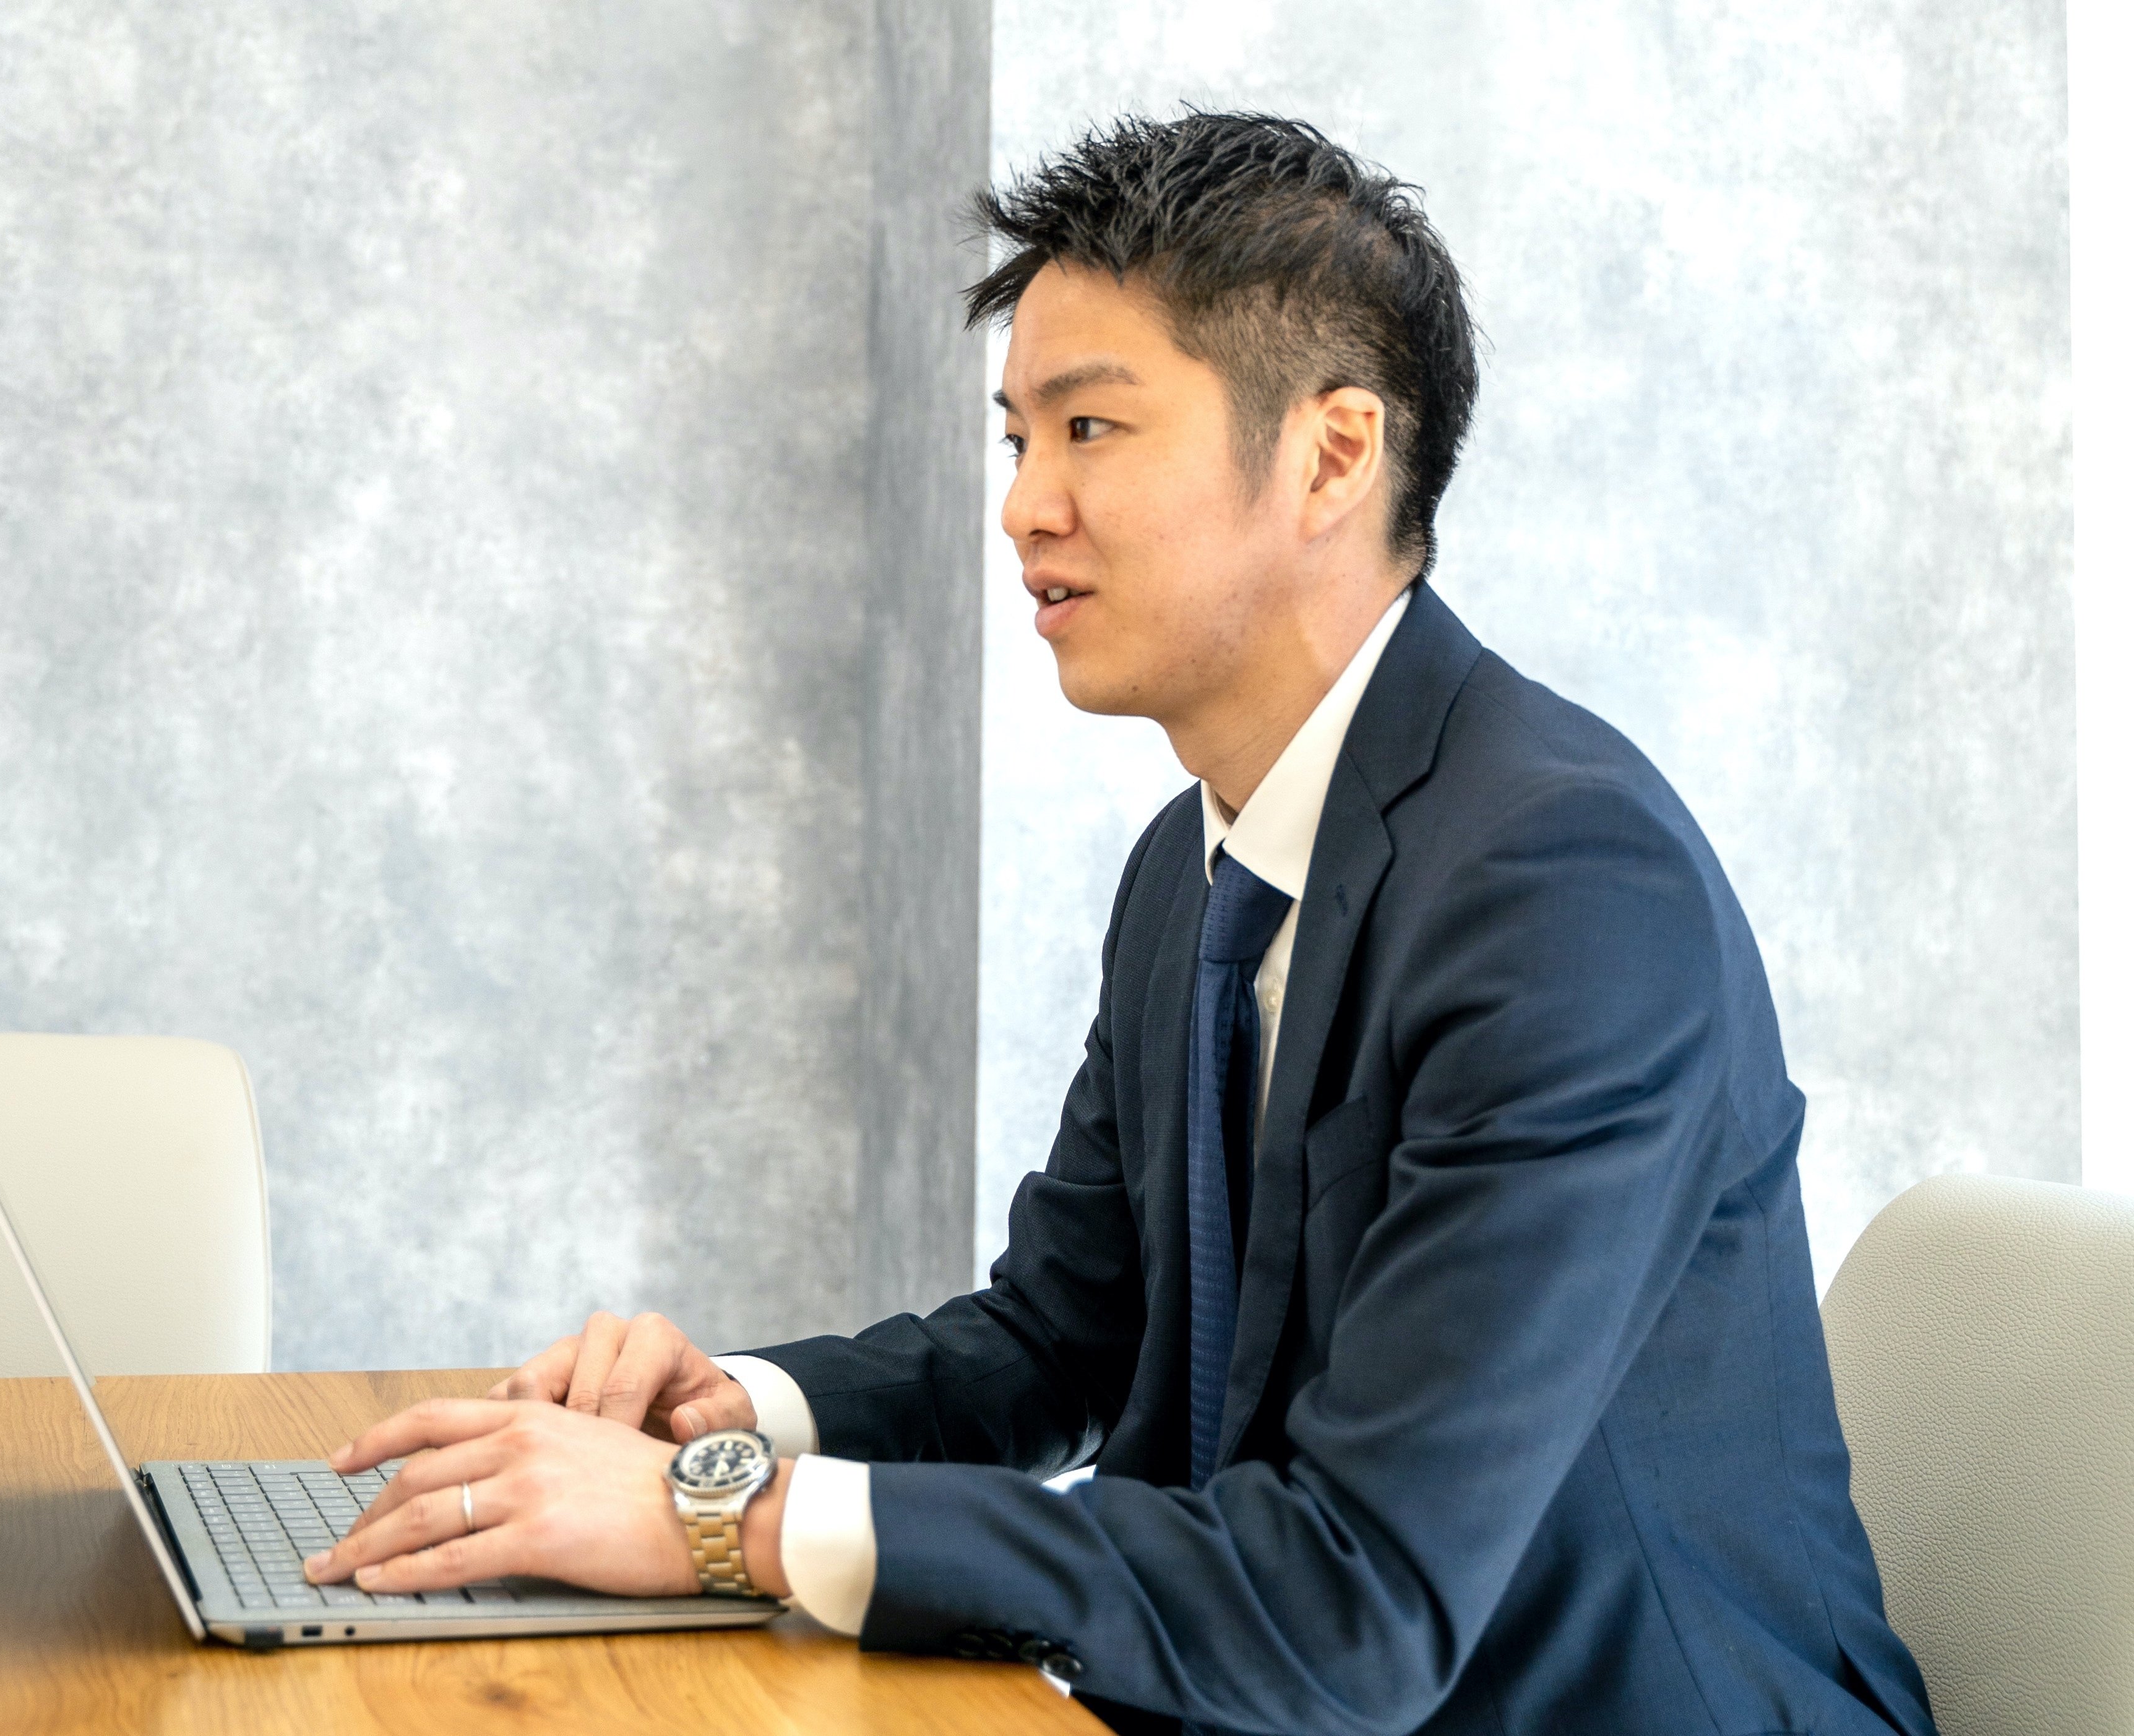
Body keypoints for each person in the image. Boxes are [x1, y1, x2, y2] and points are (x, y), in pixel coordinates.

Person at [303, 113, 1937, 1736]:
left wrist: (720, 1522)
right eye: (1018, 439)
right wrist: (734, 1418)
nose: (1026, 506)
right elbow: (1067, 1336)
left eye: (1089, 429)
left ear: (1332, 456)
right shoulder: (1194, 869)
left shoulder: (1570, 887)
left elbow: (1358, 1598)